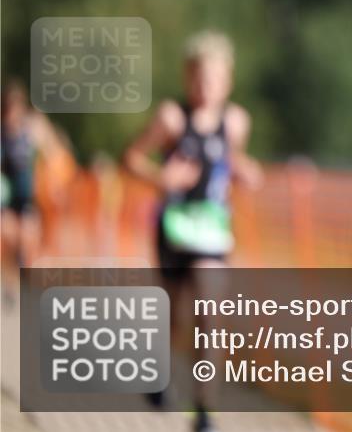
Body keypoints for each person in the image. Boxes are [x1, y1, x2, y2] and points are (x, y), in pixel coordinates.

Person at [123, 30, 262, 432]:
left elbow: (227, 162)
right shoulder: (171, 118)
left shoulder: (236, 122)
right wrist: (160, 178)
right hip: (173, 230)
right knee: (174, 317)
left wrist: (244, 170)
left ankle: (204, 410)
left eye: (215, 80)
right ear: (188, 78)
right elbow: (130, 157)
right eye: (199, 79)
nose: (206, 88)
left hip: (213, 234)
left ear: (228, 82)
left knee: (209, 315)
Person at [1, 78, 68, 305]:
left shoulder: (31, 130)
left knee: (27, 240)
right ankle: (10, 283)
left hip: (28, 195)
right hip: (6, 198)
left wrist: (55, 183)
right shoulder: (2, 133)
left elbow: (53, 152)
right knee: (8, 235)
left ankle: (25, 280)